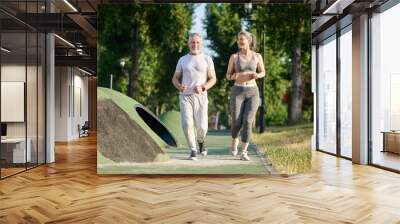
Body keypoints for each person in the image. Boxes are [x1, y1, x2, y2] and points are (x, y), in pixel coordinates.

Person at [172, 33, 217, 160]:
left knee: (202, 126)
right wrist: (179, 86)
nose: (195, 45)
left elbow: (213, 79)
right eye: (192, 42)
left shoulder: (207, 59)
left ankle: (201, 141)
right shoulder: (182, 60)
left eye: (197, 42)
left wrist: (203, 87)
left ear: (201, 44)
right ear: (189, 43)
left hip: (201, 96)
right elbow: (175, 78)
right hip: (186, 96)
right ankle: (193, 149)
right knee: (187, 124)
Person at [225, 31, 266, 161]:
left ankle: (244, 151)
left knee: (248, 121)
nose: (240, 41)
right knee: (236, 122)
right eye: (238, 40)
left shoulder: (257, 56)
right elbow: (228, 75)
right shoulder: (234, 57)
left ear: (249, 40)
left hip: (253, 91)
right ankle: (234, 139)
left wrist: (257, 75)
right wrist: (233, 76)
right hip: (238, 91)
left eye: (242, 39)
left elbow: (263, 72)